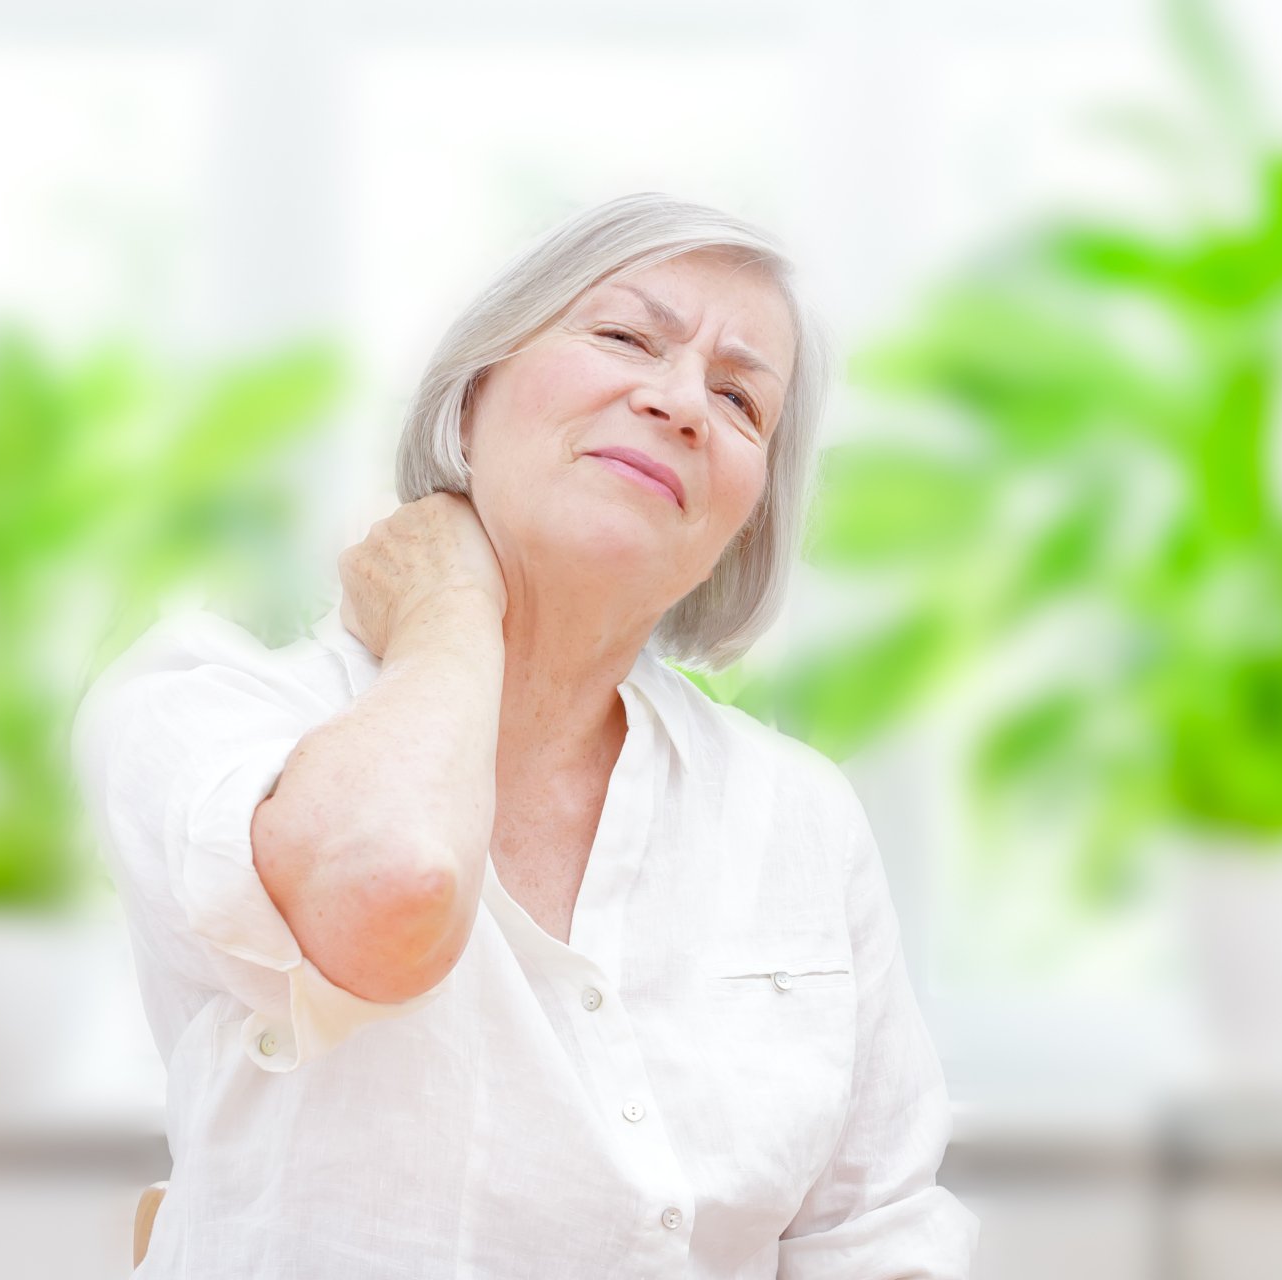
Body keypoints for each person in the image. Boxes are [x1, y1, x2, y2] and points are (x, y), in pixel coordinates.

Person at [71, 191, 979, 1278]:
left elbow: (874, 1232)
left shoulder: (802, 816)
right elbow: (389, 890)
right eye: (625, 336)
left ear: (744, 525)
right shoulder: (204, 706)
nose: (682, 401)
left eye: (740, 398)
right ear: (469, 401)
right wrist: (447, 607)